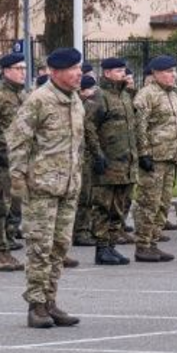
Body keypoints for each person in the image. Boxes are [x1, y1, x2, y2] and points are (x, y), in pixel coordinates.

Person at [8, 47, 84, 329]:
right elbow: (18, 141)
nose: (79, 74)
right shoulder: (39, 100)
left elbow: (78, 145)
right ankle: (36, 305)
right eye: (73, 69)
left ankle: (51, 301)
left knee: (60, 246)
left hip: (67, 185)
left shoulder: (75, 100)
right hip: (41, 186)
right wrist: (18, 179)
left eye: (79, 68)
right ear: (55, 72)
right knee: (40, 246)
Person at [84, 57, 138, 266]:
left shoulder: (124, 96)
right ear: (107, 73)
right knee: (103, 207)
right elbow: (89, 127)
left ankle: (111, 244)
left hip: (126, 163)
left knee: (120, 206)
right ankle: (101, 248)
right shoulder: (100, 96)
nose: (122, 74)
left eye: (123, 70)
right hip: (108, 163)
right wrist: (98, 155)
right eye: (118, 71)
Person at [132, 55, 177, 263]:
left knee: (162, 203)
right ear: (156, 74)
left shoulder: (172, 95)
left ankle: (153, 242)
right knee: (148, 203)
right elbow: (139, 126)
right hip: (154, 157)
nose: (173, 75)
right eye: (168, 72)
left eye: (173, 71)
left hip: (170, 156)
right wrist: (143, 153)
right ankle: (142, 245)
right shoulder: (146, 95)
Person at [0, 53, 27, 272]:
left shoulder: (23, 96)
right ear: (5, 70)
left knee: (14, 208)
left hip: (18, 162)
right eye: (18, 68)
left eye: (24, 68)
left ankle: (8, 247)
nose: (22, 72)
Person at [73, 75, 97, 247]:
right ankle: (80, 231)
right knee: (82, 197)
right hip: (77, 158)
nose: (93, 92)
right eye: (90, 89)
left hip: (87, 157)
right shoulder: (80, 107)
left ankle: (85, 229)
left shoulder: (86, 106)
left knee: (88, 195)